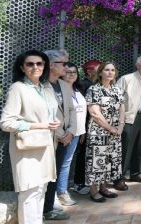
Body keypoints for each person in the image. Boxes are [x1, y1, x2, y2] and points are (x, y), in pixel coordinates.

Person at [0, 50, 59, 224]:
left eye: (39, 63)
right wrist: (39, 125)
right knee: (29, 192)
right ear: (22, 67)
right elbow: (6, 122)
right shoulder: (18, 88)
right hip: (27, 149)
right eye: (30, 64)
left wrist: (52, 121)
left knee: (41, 189)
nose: (35, 67)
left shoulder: (45, 88)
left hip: (46, 146)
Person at [42, 49, 78, 220]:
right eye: (63, 64)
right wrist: (60, 134)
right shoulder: (40, 85)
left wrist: (70, 132)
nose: (66, 66)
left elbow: (71, 110)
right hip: (49, 139)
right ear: (51, 65)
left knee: (54, 174)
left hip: (65, 138)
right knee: (44, 176)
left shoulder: (64, 85)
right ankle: (42, 209)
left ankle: (48, 208)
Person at [115, 55, 141, 186]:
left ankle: (136, 173)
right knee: (126, 147)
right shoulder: (126, 79)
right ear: (137, 65)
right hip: (129, 117)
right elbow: (116, 99)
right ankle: (119, 177)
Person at [85, 62, 125, 203]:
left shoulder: (117, 90)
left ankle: (103, 187)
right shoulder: (94, 89)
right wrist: (110, 128)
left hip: (115, 132)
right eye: (107, 70)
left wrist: (120, 127)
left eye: (113, 70)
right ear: (100, 72)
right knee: (97, 161)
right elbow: (94, 113)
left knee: (109, 159)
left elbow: (121, 109)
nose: (110, 72)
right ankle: (94, 190)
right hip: (99, 131)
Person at [57, 63, 87, 206]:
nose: (71, 74)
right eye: (68, 72)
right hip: (64, 133)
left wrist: (82, 132)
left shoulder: (78, 89)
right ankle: (61, 193)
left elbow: (81, 114)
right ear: (62, 73)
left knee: (67, 163)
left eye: (74, 72)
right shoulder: (59, 90)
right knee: (63, 164)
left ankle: (61, 191)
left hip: (77, 132)